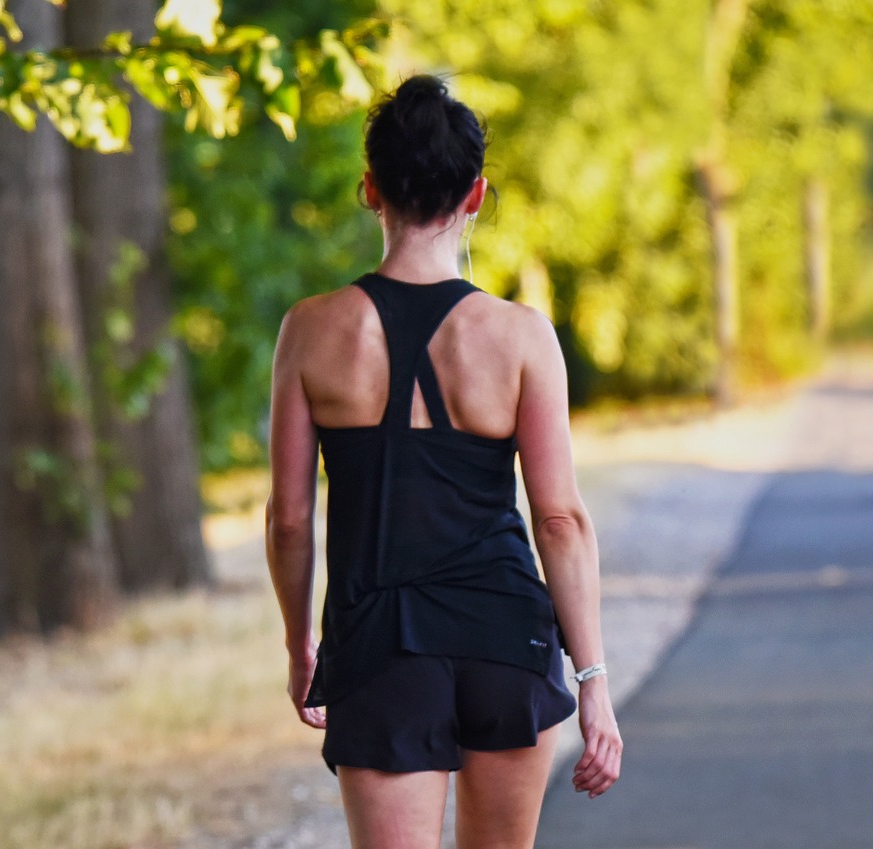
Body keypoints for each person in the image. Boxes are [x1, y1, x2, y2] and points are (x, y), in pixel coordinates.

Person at [265, 74, 622, 849]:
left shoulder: (311, 330)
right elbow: (559, 518)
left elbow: (290, 518)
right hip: (506, 635)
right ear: (475, 194)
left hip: (378, 645)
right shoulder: (521, 336)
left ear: (370, 190)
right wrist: (592, 680)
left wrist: (301, 643)